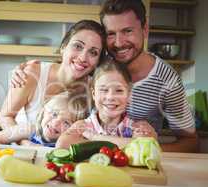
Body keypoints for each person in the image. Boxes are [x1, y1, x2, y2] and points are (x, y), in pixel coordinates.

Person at [10, 0, 198, 152]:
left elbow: (190, 142)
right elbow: (71, 63)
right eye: (110, 34)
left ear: (145, 29)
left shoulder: (168, 80)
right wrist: (28, 68)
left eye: (128, 31)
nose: (118, 43)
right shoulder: (102, 65)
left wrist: (144, 148)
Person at [0, 20, 106, 132]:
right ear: (63, 47)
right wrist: (25, 143)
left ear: (98, 61)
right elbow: (5, 117)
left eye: (93, 52)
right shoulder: (32, 74)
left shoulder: (95, 88)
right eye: (78, 46)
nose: (83, 57)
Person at [56, 59, 157, 149]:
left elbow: (144, 146)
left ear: (129, 95)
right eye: (104, 90)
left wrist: (95, 137)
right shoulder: (83, 126)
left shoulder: (136, 127)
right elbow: (62, 144)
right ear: (94, 94)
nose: (110, 97)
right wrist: (127, 143)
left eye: (119, 90)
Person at [0, 92, 88, 147]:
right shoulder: (29, 130)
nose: (56, 122)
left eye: (66, 122)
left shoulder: (68, 145)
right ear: (43, 111)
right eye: (54, 114)